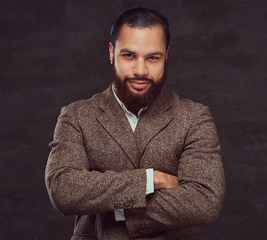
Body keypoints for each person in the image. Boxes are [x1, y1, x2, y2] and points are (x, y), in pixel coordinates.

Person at [45, 7, 225, 240]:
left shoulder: (194, 117)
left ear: (166, 55)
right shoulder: (77, 115)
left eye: (153, 57)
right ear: (112, 52)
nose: (140, 70)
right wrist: (152, 179)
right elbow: (63, 190)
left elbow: (204, 202)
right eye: (129, 56)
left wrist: (113, 208)